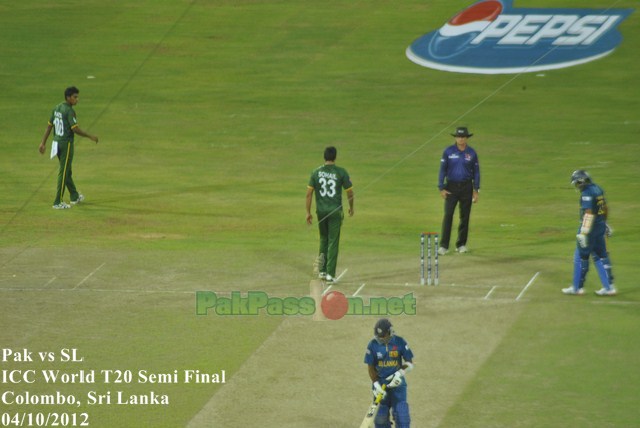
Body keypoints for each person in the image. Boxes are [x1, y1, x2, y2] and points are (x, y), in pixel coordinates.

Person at [39, 86, 99, 209]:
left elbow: (49, 126)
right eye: (75, 97)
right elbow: (75, 129)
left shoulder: (57, 108)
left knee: (67, 171)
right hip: (66, 144)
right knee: (64, 172)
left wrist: (43, 143)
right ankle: (57, 202)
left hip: (56, 144)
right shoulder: (69, 111)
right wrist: (90, 136)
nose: (77, 100)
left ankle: (74, 196)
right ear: (68, 97)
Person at [562, 170, 616, 296]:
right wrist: (604, 223)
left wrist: (584, 232)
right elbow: (605, 207)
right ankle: (609, 287)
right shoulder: (598, 188)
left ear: (581, 181)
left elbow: (589, 213)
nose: (577, 186)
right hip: (599, 226)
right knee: (601, 256)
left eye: (577, 183)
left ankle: (577, 288)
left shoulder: (586, 193)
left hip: (589, 228)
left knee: (580, 257)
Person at [306, 146, 354, 283]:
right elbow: (349, 192)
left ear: (324, 157)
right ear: (335, 157)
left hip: (321, 211)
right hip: (335, 212)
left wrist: (308, 212)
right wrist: (351, 207)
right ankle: (330, 274)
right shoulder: (341, 172)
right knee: (333, 241)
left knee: (323, 239)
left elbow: (309, 194)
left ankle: (321, 271)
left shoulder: (316, 172)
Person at [437, 126, 480, 254]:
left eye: (463, 137)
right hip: (451, 187)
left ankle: (461, 244)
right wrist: (441, 187)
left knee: (464, 216)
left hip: (467, 187)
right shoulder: (448, 151)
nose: (460, 139)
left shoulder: (472, 153)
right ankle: (444, 245)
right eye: (458, 136)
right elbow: (442, 170)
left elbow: (476, 172)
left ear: (466, 138)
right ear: (455, 137)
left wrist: (476, 189)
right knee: (448, 214)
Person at [364, 318, 414, 428]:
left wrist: (399, 373)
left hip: (398, 386)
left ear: (390, 332)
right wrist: (376, 384)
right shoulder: (372, 345)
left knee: (402, 418)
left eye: (383, 337)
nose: (381, 339)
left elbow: (409, 363)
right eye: (379, 337)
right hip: (380, 386)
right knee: (380, 420)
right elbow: (370, 368)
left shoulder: (400, 342)